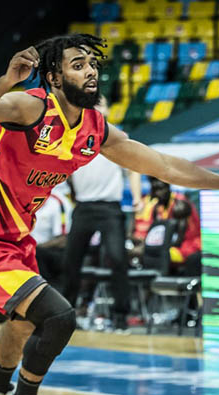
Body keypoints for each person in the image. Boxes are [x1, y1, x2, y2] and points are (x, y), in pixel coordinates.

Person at [0, 34, 219, 395]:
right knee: (59, 317)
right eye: (78, 65)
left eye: (92, 63)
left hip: (15, 242)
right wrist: (6, 80)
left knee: (24, 323)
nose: (91, 70)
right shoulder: (30, 107)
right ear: (55, 77)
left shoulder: (96, 129)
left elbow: (164, 165)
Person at [62, 95, 142, 332]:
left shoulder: (117, 136)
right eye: (92, 103)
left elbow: (133, 169)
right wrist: (74, 194)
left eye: (101, 103)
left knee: (117, 260)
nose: (96, 107)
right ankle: (65, 314)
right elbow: (65, 170)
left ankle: (120, 316)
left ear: (107, 109)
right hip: (83, 207)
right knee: (70, 261)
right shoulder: (72, 136)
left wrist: (137, 196)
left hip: (110, 208)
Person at [131, 176, 201, 276]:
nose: (157, 193)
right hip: (168, 246)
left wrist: (148, 248)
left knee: (156, 253)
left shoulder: (179, 204)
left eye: (160, 189)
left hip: (188, 247)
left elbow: (179, 240)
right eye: (154, 190)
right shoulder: (157, 206)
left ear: (168, 187)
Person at [32, 181, 73, 286]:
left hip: (52, 253)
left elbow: (64, 240)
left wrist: (34, 247)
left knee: (36, 254)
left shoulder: (58, 202)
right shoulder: (25, 202)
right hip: (32, 250)